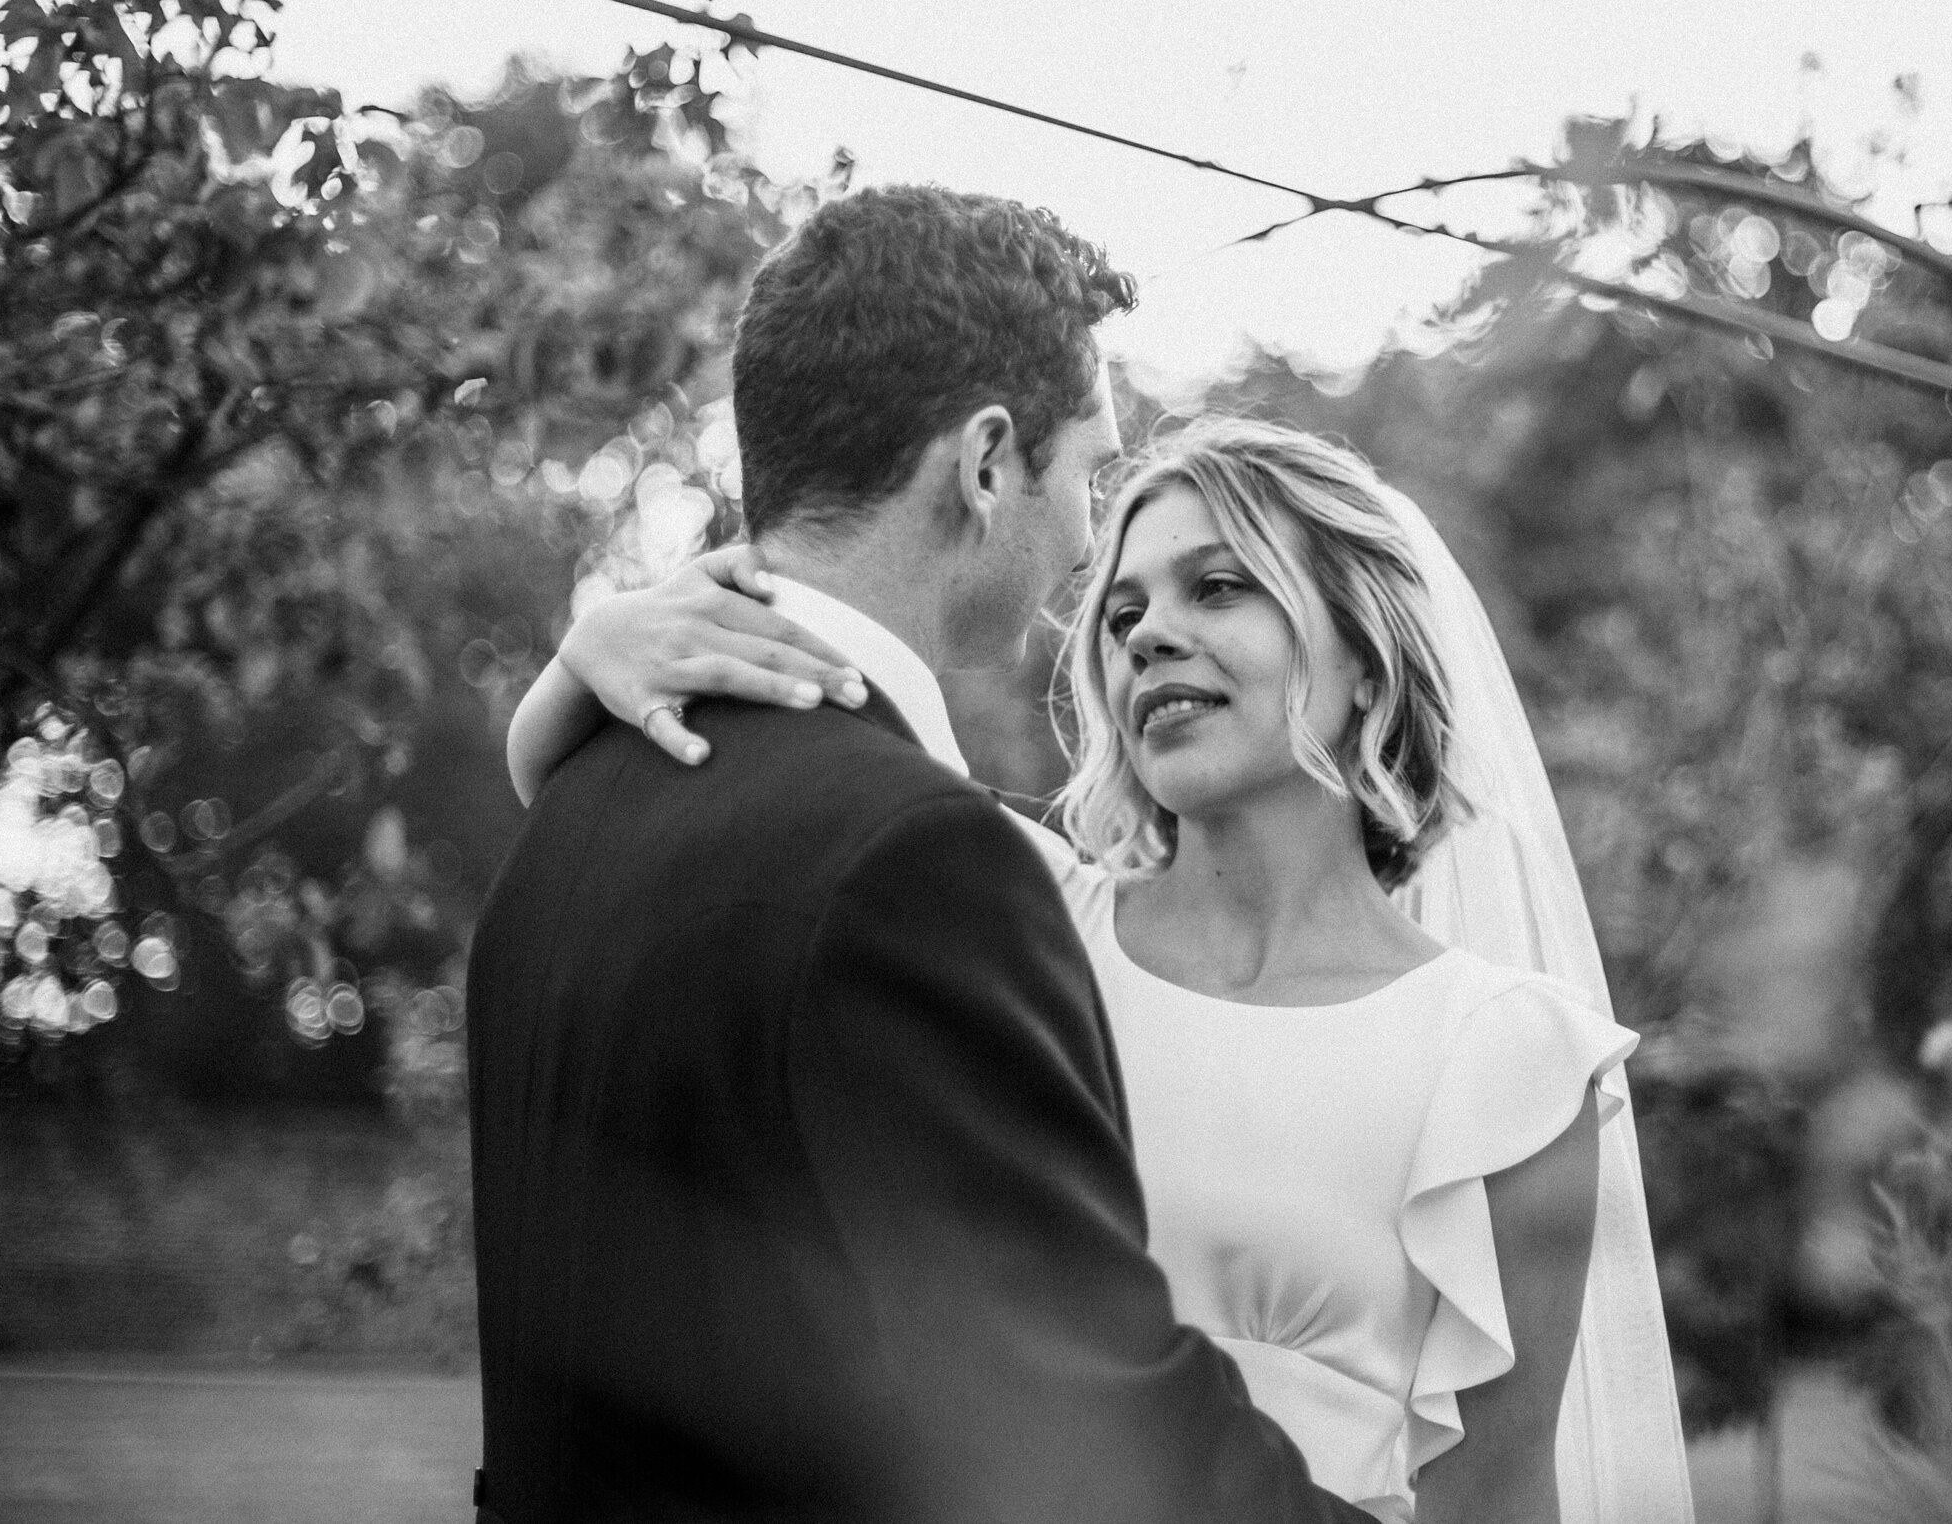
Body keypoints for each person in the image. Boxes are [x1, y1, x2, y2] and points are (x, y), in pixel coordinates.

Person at [515, 414, 1698, 1521]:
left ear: (1369, 664)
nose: (1147, 632)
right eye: (1122, 609)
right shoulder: (1000, 906)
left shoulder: (1509, 1062)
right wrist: (588, 650)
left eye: (1219, 586)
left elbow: (1495, 1502)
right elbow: (711, 799)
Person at [467, 184, 1380, 1524]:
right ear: (989, 459)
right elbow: (1095, 1431)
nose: (1084, 539)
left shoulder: (570, 814)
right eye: (1086, 472)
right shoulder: (914, 862)